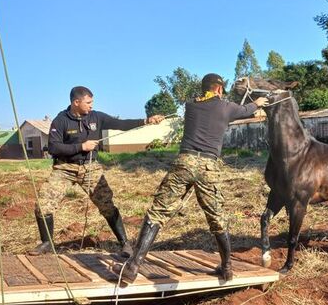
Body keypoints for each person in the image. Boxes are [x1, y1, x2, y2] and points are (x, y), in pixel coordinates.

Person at [113, 73, 269, 283]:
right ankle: (226, 267)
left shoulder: (190, 105)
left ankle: (132, 267)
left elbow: (202, 103)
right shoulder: (226, 107)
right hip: (208, 167)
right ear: (220, 89)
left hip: (184, 163)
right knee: (217, 218)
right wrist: (258, 102)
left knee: (157, 213)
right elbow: (248, 109)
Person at [30, 86, 164, 256]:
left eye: (92, 102)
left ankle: (125, 243)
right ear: (76, 102)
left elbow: (121, 124)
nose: (91, 105)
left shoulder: (96, 117)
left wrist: (146, 121)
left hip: (90, 168)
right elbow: (54, 147)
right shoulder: (60, 120)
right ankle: (46, 243)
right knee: (43, 206)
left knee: (107, 205)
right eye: (88, 102)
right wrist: (81, 146)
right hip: (65, 168)